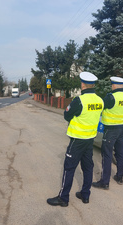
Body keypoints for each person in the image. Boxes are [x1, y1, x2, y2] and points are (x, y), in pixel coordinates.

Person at [47, 72, 104, 207]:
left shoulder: (79, 100)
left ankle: (63, 198)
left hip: (77, 140)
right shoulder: (100, 100)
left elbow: (67, 115)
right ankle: (85, 195)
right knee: (88, 167)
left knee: (69, 168)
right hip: (90, 139)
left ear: (83, 84)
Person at [92, 76, 123, 190]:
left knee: (107, 154)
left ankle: (105, 182)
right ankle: (120, 176)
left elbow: (101, 107)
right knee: (120, 153)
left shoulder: (111, 97)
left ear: (114, 85)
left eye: (111, 85)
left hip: (110, 129)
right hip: (121, 128)